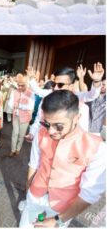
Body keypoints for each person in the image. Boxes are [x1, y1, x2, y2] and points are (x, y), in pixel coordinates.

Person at [19, 90, 106, 228]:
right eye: (47, 124)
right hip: (35, 196)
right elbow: (34, 162)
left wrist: (57, 221)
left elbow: (89, 195)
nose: (51, 131)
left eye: (58, 126)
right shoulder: (41, 133)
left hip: (62, 208)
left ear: (77, 118)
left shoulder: (97, 148)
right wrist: (29, 187)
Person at [8, 74, 35, 157]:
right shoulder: (14, 92)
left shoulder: (31, 93)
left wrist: (19, 106)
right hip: (16, 116)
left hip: (25, 118)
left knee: (21, 135)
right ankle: (12, 150)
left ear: (26, 85)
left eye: (22, 86)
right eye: (18, 85)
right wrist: (14, 106)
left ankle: (18, 149)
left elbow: (30, 107)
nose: (19, 87)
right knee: (14, 133)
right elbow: (10, 104)